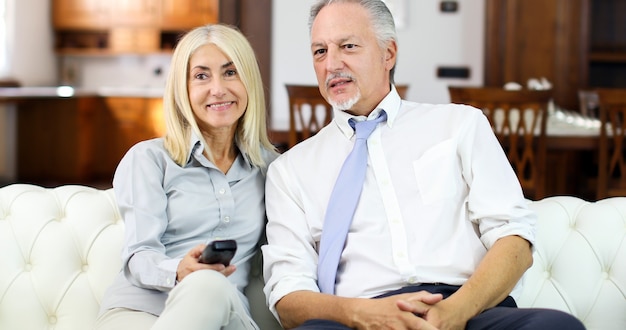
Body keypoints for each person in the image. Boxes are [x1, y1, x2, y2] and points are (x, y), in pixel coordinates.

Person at [262, 1, 586, 329]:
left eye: (348, 46)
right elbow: (288, 295)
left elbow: (515, 240)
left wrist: (454, 313)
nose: (331, 63)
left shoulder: (460, 125)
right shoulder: (289, 171)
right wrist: (362, 314)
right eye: (320, 51)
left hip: (469, 309)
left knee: (558, 326)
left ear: (389, 54)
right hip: (360, 319)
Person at [95, 24, 278, 330]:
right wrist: (179, 270)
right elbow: (140, 254)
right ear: (183, 88)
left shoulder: (272, 169)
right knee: (203, 282)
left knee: (208, 285)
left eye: (230, 72)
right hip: (140, 312)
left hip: (226, 314)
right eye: (201, 76)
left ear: (249, 81)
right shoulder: (149, 160)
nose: (218, 89)